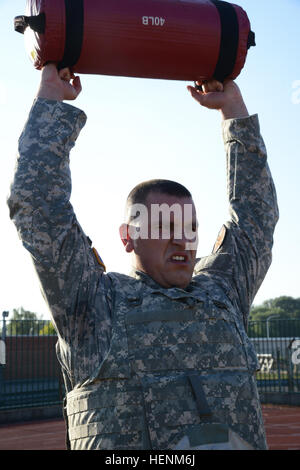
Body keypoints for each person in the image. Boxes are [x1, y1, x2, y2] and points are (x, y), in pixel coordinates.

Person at [7, 63, 279, 450]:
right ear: (128, 237)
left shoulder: (224, 291)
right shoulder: (93, 305)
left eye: (189, 228)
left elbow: (256, 216)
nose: (182, 241)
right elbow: (37, 205)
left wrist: (234, 111)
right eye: (165, 228)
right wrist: (50, 101)